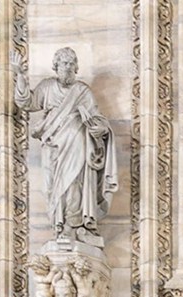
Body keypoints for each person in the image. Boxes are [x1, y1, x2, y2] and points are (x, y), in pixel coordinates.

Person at [13, 47, 119, 243]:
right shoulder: (47, 87)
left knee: (74, 183)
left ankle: (74, 224)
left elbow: (97, 118)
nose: (68, 67)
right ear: (56, 66)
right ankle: (59, 223)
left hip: (77, 145)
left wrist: (101, 130)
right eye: (64, 63)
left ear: (76, 67)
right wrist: (20, 74)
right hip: (53, 145)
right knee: (51, 187)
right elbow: (26, 102)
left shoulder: (82, 91)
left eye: (71, 64)